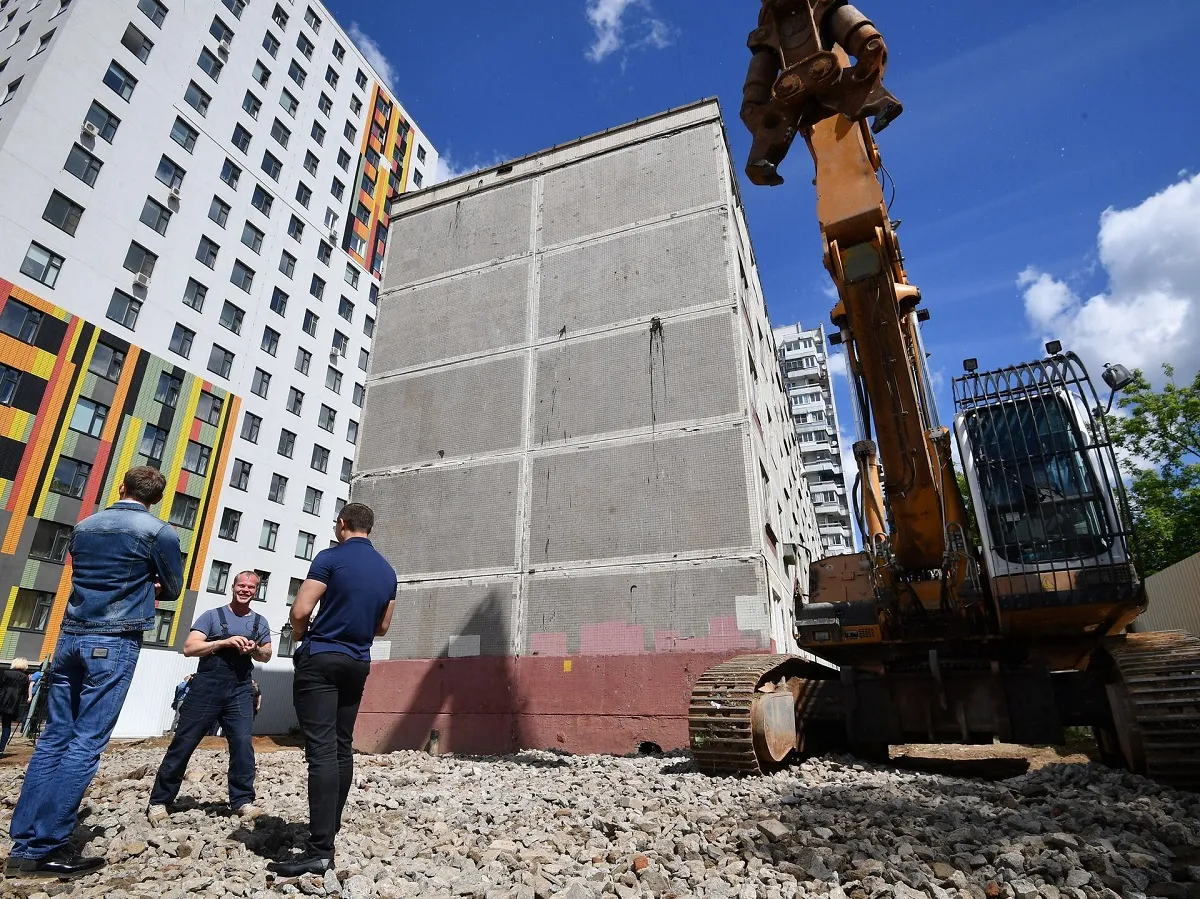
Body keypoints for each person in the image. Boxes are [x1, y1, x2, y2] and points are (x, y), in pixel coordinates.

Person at [6, 466, 182, 879]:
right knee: (86, 742)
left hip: (70, 636)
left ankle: (23, 845)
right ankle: (47, 847)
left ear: (122, 486)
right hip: (115, 640)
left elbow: (83, 574)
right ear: (156, 498)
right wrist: (147, 586)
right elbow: (172, 588)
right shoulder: (158, 533)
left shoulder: (85, 526)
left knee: (52, 739)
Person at [269, 503, 395, 877]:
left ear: (342, 524)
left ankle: (320, 849)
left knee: (320, 749)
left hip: (322, 656)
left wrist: (301, 638)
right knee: (342, 746)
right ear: (369, 528)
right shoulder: (387, 571)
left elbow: (300, 610)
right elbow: (383, 627)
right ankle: (330, 825)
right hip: (358, 662)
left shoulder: (330, 558)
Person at [147, 571, 271, 824]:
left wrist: (254, 648)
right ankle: (159, 801)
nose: (245, 590)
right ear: (232, 586)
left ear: (256, 591)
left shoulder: (260, 621)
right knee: (184, 743)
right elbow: (189, 648)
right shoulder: (212, 616)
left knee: (242, 746)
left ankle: (243, 801)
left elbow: (267, 655)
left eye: (251, 587)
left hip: (239, 689)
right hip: (207, 687)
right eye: (241, 585)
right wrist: (222, 643)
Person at [0, 658, 30, 753]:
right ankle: (1, 748)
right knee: (6, 726)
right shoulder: (25, 678)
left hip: (1, 698)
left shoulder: (5, 673)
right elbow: (24, 692)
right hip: (13, 703)